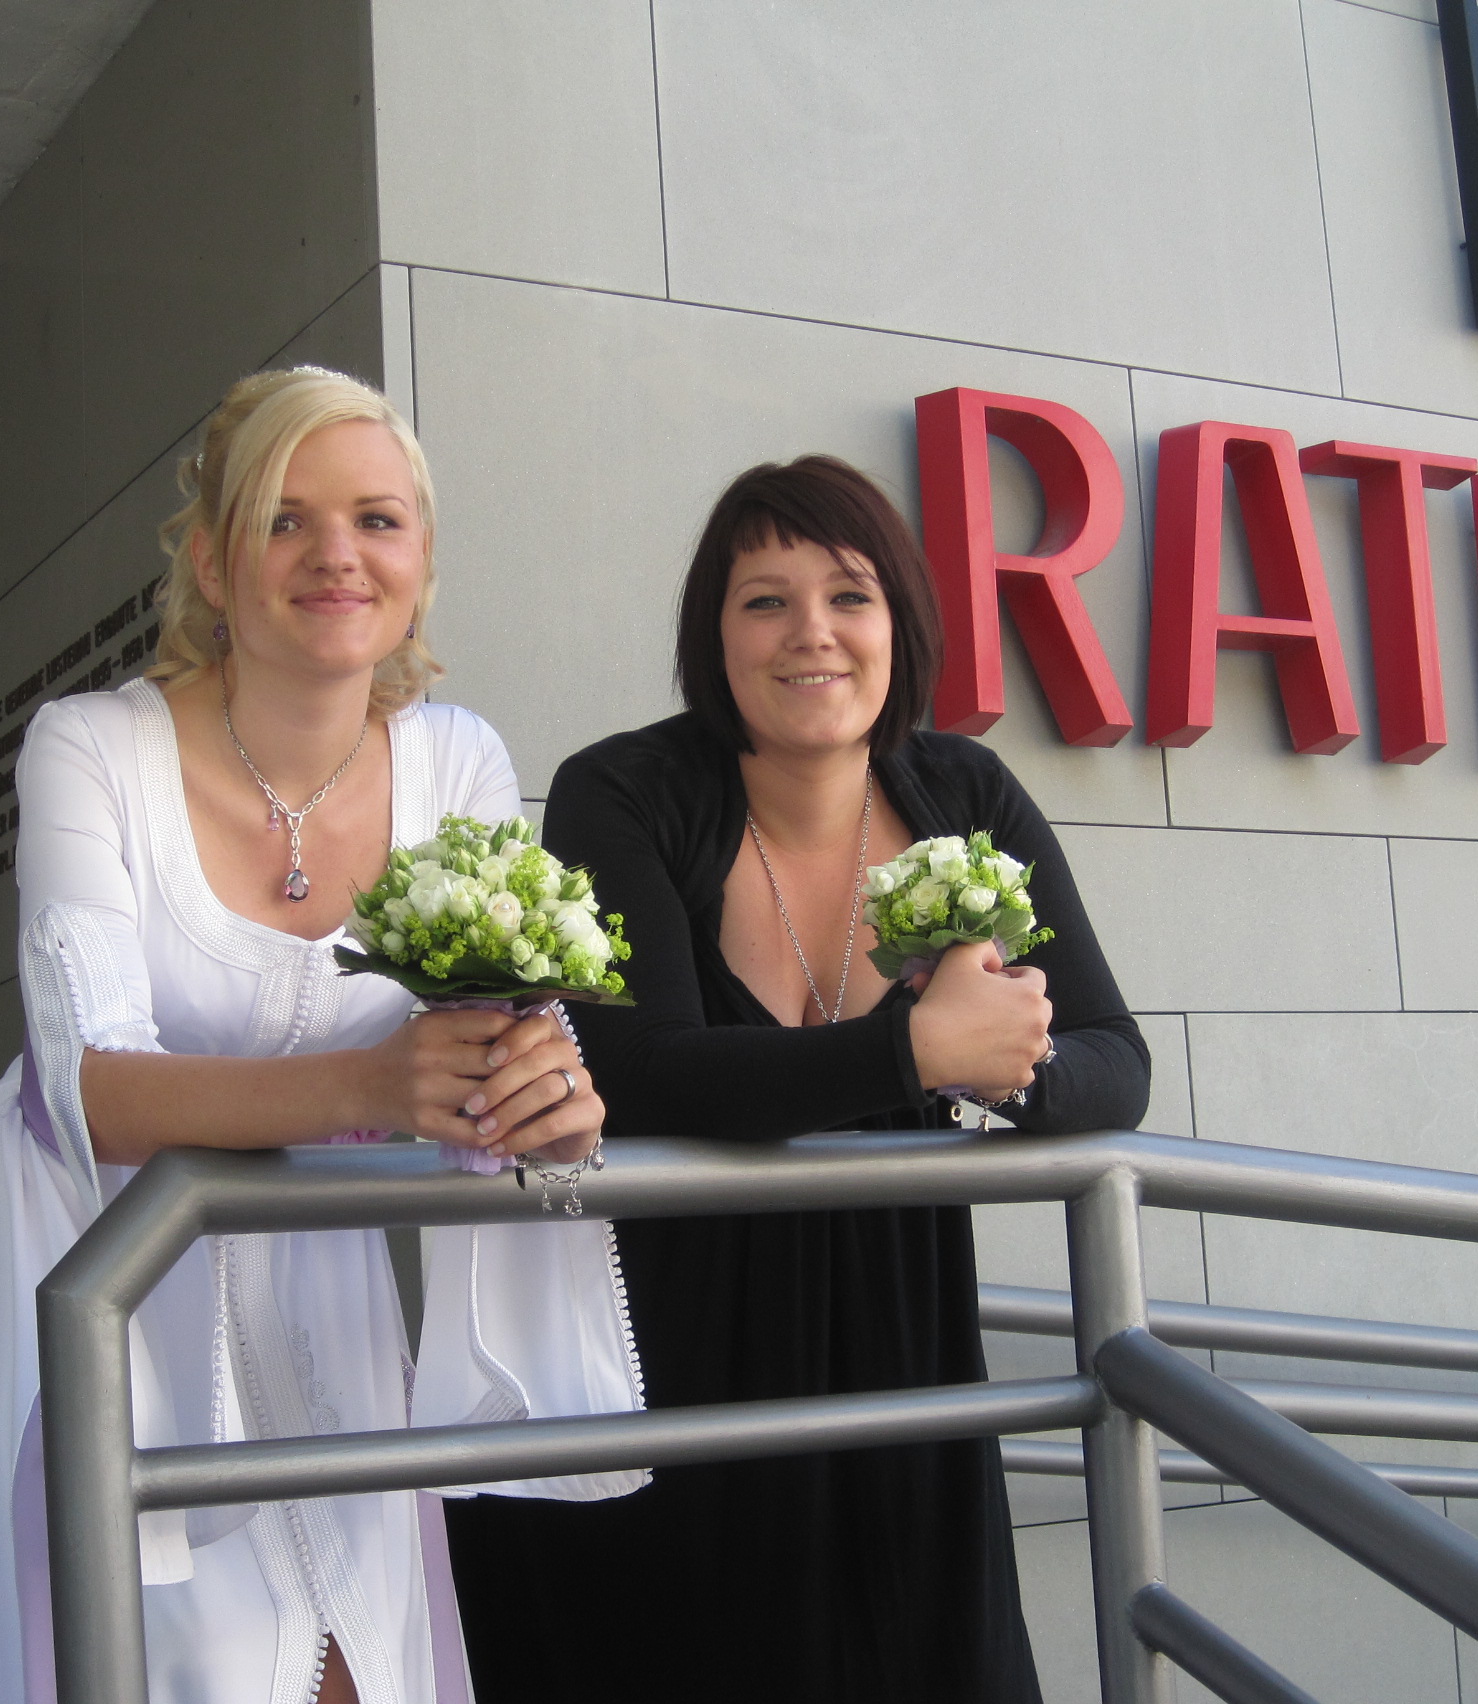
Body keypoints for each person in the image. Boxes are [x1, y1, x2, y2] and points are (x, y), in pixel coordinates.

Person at [0, 367, 645, 1704]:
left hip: (316, 1248)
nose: (336, 554)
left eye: (377, 519)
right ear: (212, 563)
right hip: (98, 1242)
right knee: (179, 1659)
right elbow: (89, 1088)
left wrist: (542, 1096)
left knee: (358, 1651)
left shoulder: (457, 759)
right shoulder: (86, 747)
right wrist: (374, 1083)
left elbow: (497, 1030)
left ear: (420, 561)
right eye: (284, 519)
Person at [442, 455, 1151, 1703]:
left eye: (849, 596)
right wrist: (916, 1051)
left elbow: (1114, 1060)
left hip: (904, 1363)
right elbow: (643, 1071)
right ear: (712, 635)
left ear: (900, 624)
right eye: (764, 600)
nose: (809, 632)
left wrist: (1008, 1064)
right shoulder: (625, 790)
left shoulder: (964, 789)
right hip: (668, 1362)